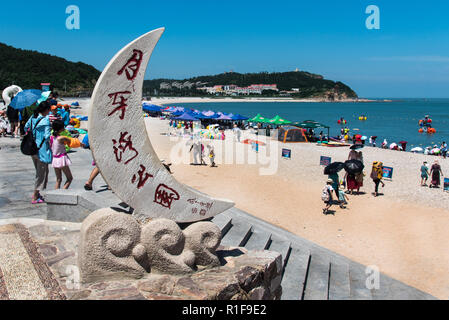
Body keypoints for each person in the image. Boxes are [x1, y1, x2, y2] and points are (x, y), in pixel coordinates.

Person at [24, 101, 52, 204]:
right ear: (46, 110)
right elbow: (47, 136)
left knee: (39, 172)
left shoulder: (33, 117)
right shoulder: (46, 120)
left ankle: (38, 194)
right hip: (42, 150)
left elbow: (26, 128)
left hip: (32, 148)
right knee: (41, 174)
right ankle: (35, 196)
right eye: (49, 109)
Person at [50, 120, 83, 189]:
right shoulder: (61, 138)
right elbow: (73, 141)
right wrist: (82, 144)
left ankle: (56, 194)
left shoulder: (51, 137)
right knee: (69, 178)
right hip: (61, 159)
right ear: (61, 129)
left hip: (55, 159)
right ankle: (62, 192)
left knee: (58, 179)